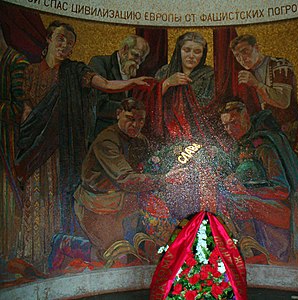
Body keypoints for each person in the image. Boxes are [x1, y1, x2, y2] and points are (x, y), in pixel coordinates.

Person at [15, 21, 150, 268]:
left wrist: (130, 84)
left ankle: (56, 249)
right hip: (36, 144)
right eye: (61, 39)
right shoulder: (31, 72)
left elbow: (106, 85)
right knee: (36, 196)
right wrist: (26, 132)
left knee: (59, 194)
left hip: (63, 144)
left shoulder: (75, 71)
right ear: (48, 38)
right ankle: (33, 253)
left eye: (70, 42)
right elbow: (27, 109)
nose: (65, 45)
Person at [220, 100, 298, 271]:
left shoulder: (264, 146)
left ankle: (255, 255)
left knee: (238, 202)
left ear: (245, 117)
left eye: (233, 122)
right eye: (225, 125)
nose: (230, 130)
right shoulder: (240, 147)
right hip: (264, 207)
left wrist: (246, 190)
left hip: (289, 211)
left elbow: (282, 190)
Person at [70, 98, 184, 262]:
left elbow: (149, 167)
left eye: (140, 120)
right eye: (130, 119)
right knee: (118, 257)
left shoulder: (140, 140)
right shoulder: (107, 141)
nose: (136, 125)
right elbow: (126, 179)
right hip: (97, 206)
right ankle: (64, 243)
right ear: (118, 114)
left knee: (150, 247)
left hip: (125, 201)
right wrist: (165, 179)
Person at [153, 32, 217, 144]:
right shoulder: (164, 72)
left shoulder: (209, 76)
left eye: (197, 52)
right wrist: (167, 83)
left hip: (196, 131)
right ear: (179, 51)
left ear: (203, 54)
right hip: (166, 130)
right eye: (187, 50)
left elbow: (210, 106)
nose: (191, 55)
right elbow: (151, 102)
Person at [0, 25, 29, 260]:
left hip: (9, 144)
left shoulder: (16, 63)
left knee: (9, 197)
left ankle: (8, 250)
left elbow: (18, 109)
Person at [230, 34, 298, 125]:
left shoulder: (279, 65)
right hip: (266, 130)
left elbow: (283, 101)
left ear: (256, 47)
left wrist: (256, 84)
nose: (242, 59)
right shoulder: (246, 74)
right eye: (237, 55)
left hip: (290, 126)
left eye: (245, 51)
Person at [88, 35, 150, 140]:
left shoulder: (134, 72)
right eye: (135, 55)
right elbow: (99, 105)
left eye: (141, 59)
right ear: (124, 49)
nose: (138, 62)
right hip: (101, 135)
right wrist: (131, 111)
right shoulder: (100, 63)